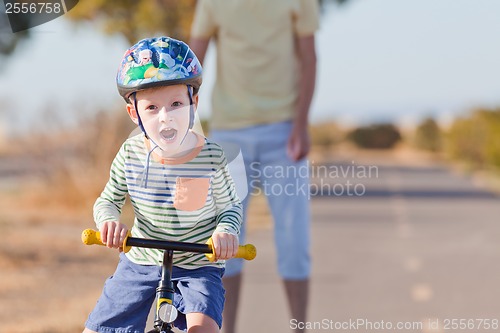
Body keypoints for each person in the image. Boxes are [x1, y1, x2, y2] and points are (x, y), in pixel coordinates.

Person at [83, 36, 242, 333]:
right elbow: (108, 200)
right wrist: (109, 222)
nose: (165, 118)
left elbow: (229, 207)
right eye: (152, 108)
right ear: (135, 113)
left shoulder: (212, 157)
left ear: (193, 102)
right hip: (140, 262)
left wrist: (225, 231)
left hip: (198, 264)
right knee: (98, 329)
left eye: (176, 104)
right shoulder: (130, 155)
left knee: (202, 328)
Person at [190, 1, 319, 332]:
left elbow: (309, 58)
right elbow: (194, 62)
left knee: (294, 242)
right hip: (229, 135)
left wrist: (301, 124)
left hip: (284, 132)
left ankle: (299, 328)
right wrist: (184, 126)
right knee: (224, 240)